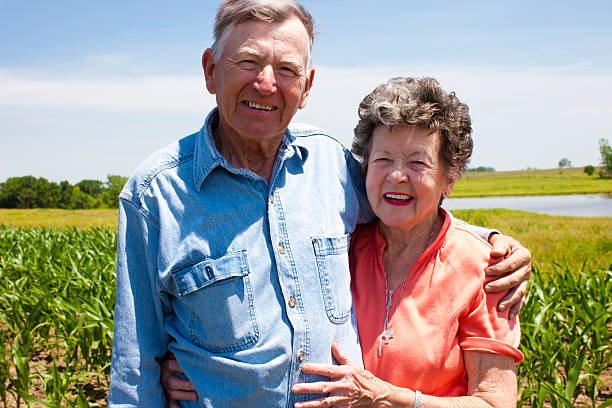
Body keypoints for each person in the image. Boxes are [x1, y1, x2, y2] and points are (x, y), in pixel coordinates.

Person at [110, 1, 531, 407]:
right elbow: (134, 368)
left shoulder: (330, 165)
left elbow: (409, 212)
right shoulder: (155, 196)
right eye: (248, 62)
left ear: (307, 87)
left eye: (287, 70)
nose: (266, 83)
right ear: (210, 70)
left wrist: (492, 243)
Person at [290, 77, 522, 408]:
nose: (397, 176)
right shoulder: (340, 248)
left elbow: (496, 403)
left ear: (449, 179)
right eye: (383, 159)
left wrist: (389, 398)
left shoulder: (486, 268)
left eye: (417, 163)